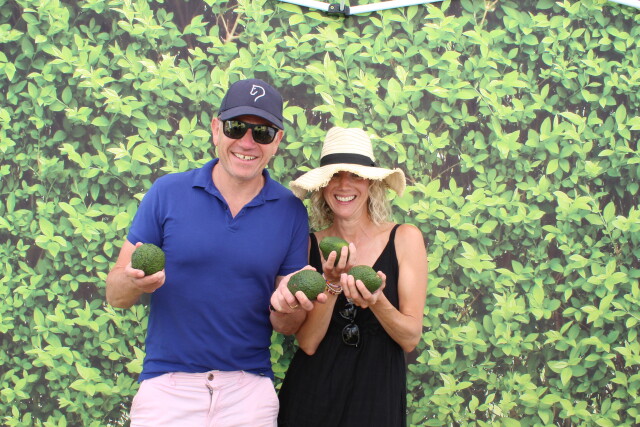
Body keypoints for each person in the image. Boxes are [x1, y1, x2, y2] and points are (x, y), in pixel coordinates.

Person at [105, 78, 318, 427]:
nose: (247, 142)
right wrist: (133, 283)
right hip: (167, 388)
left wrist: (287, 306)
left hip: (248, 393)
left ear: (277, 141)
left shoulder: (290, 210)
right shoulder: (167, 193)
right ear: (216, 129)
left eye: (262, 133)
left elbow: (287, 326)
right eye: (236, 127)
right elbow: (115, 295)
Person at [275, 127, 428, 427]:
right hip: (311, 400)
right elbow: (308, 344)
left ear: (370, 183)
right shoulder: (309, 245)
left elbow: (410, 338)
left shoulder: (405, 238)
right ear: (323, 186)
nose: (344, 185)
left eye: (355, 175)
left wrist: (377, 300)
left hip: (376, 400)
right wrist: (332, 283)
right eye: (335, 175)